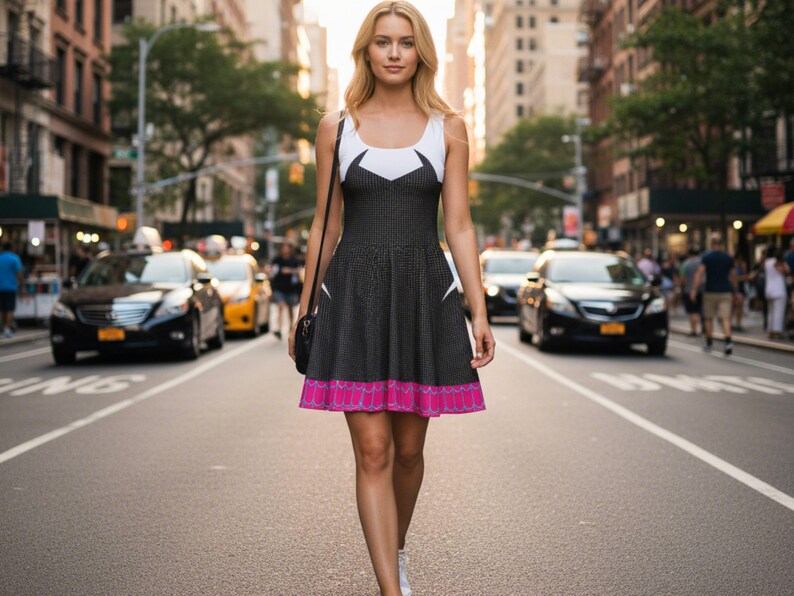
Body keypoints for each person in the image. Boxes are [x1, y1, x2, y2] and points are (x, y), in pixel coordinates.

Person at [288, 3, 495, 594]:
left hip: (423, 293)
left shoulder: (448, 127)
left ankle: (395, 551)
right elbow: (325, 224)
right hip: (354, 293)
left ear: (420, 51)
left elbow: (459, 224)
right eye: (383, 42)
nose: (395, 52)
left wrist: (478, 310)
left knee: (408, 452)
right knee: (373, 450)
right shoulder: (337, 126)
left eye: (406, 42)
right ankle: (390, 588)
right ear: (366, 51)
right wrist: (306, 308)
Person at [691, 236, 737, 355]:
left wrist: (694, 290)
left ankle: (709, 343)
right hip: (725, 291)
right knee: (725, 318)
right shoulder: (728, 257)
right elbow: (733, 275)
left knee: (708, 318)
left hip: (710, 290)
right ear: (721, 244)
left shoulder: (707, 257)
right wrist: (736, 291)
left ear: (711, 244)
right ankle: (728, 341)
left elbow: (699, 274)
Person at [269, 242, 302, 340]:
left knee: (290, 309)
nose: (285, 249)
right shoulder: (277, 260)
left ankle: (291, 327)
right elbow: (273, 270)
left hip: (291, 288)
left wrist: (290, 271)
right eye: (283, 248)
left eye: (287, 247)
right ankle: (279, 328)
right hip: (280, 287)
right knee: (280, 306)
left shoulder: (294, 260)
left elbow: (299, 270)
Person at [763, 245, 790, 340]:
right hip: (779, 290)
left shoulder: (767, 262)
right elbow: (787, 270)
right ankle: (777, 331)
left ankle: (770, 330)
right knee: (779, 311)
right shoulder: (779, 262)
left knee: (771, 311)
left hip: (769, 290)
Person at [0, 242, 24, 338]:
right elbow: (19, 273)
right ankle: (7, 329)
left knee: (1, 309)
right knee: (10, 309)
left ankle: (1, 327)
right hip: (11, 287)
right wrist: (22, 285)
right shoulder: (15, 258)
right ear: (11, 248)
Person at [679, 247, 703, 336]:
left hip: (689, 290)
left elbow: (683, 278)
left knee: (693, 311)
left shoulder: (686, 264)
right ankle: (704, 329)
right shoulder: (703, 262)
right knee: (701, 310)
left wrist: (682, 287)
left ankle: (694, 330)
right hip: (702, 290)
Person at [732, 255, 749, 331]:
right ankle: (737, 324)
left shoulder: (738, 268)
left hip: (739, 290)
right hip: (738, 290)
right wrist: (746, 277)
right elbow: (735, 279)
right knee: (738, 308)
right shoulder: (736, 268)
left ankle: (737, 323)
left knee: (737, 308)